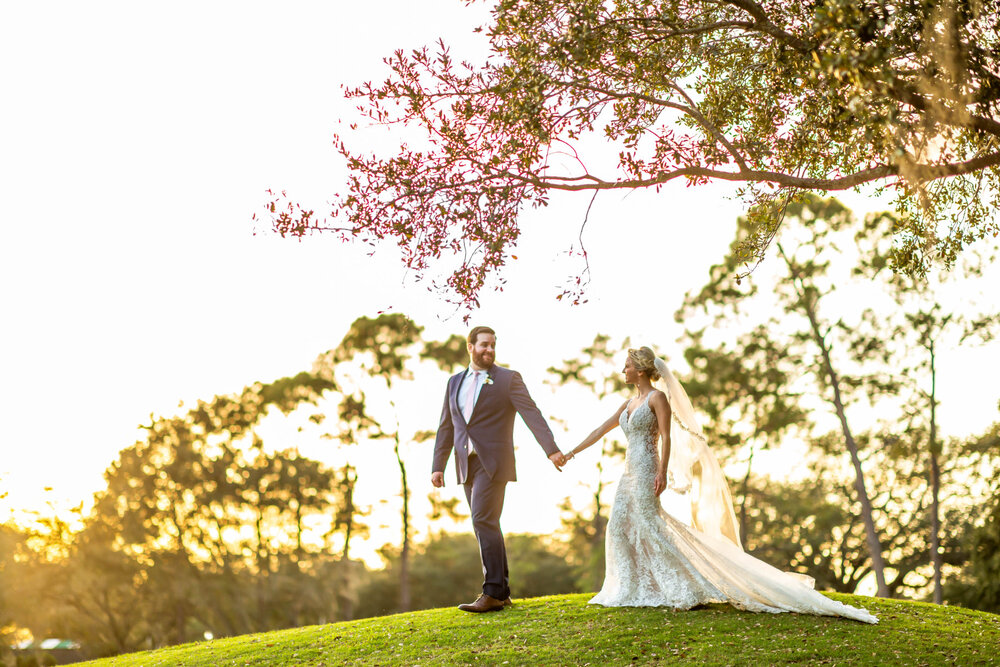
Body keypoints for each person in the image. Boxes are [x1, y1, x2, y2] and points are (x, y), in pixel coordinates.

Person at [564, 346, 877, 623]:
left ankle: (684, 583)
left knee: (650, 524)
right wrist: (570, 453)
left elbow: (668, 436)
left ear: (641, 369)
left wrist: (662, 470)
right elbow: (601, 428)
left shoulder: (658, 398)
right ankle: (632, 585)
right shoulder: (628, 402)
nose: (623, 370)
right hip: (627, 473)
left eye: (628, 366)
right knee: (619, 526)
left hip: (647, 470)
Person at [431, 326, 567, 613]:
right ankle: (501, 591)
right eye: (483, 345)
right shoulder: (454, 382)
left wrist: (551, 449)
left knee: (483, 519)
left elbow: (531, 412)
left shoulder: (507, 379)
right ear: (470, 347)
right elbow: (447, 425)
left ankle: (492, 591)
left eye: (493, 345)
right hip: (466, 464)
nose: (489, 350)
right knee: (486, 523)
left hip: (494, 463)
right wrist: (438, 466)